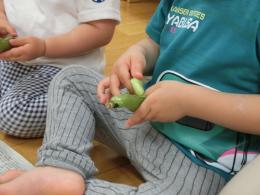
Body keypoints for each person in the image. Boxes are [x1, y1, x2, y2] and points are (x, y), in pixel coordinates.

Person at [0, 0, 260, 194]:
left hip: (200, 161)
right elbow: (156, 42)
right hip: (143, 122)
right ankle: (60, 169)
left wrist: (190, 101)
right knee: (72, 79)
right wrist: (138, 54)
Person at [0, 0, 120, 138]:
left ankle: (87, 103)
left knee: (13, 114)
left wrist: (44, 47)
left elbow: (100, 30)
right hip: (16, 61)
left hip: (64, 68)